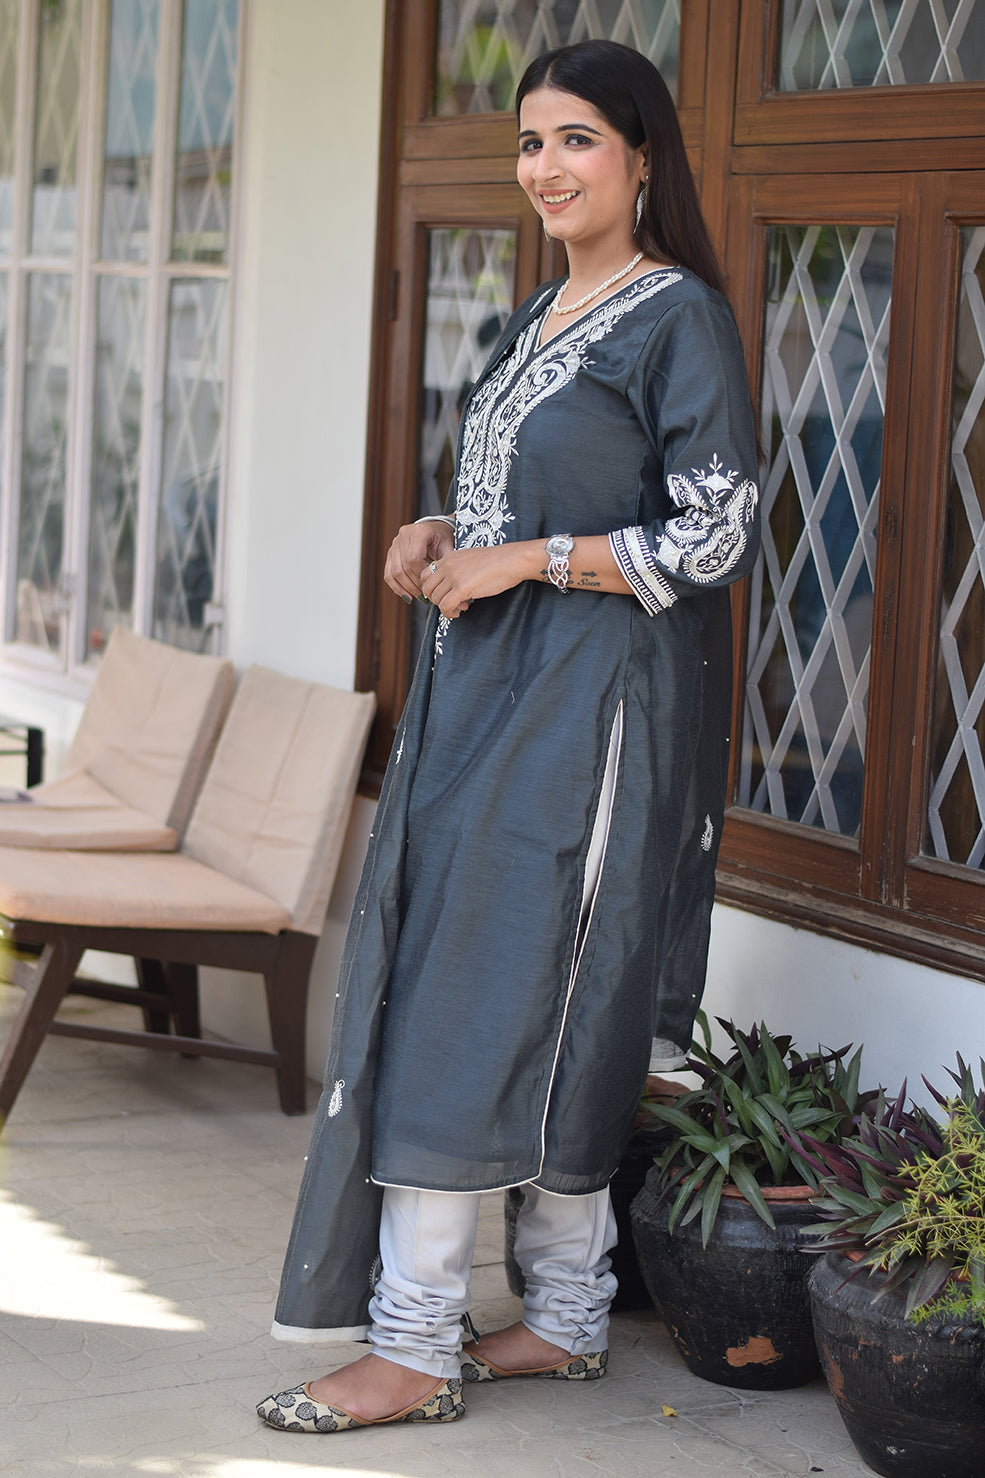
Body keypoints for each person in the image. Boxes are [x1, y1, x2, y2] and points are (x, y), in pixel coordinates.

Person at [258, 38, 760, 1435]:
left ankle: (414, 1344)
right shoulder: (537, 317)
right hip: (492, 701)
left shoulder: (675, 320)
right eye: (530, 140)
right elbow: (519, 505)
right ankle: (564, 1310)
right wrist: (443, 535)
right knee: (496, 982)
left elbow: (714, 528)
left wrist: (526, 558)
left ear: (643, 156)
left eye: (577, 138)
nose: (544, 165)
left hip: (588, 715)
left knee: (479, 997)